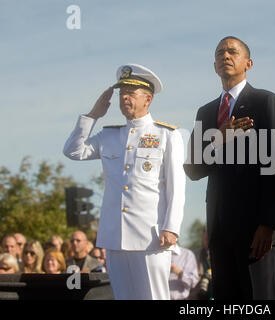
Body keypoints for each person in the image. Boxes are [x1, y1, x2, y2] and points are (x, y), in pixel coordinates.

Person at [63, 63, 185, 300]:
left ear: (148, 99)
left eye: (131, 93)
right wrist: (93, 115)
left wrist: (171, 227)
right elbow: (73, 151)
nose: (124, 98)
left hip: (152, 236)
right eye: (122, 93)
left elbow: (176, 187)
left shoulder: (166, 135)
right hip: (115, 235)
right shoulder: (109, 135)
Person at [184, 36, 275, 299]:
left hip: (255, 230)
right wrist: (218, 139)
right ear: (214, 65)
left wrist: (268, 223)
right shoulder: (205, 112)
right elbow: (194, 170)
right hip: (219, 229)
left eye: (232, 51)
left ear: (248, 63)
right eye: (219, 53)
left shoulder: (265, 101)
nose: (225, 56)